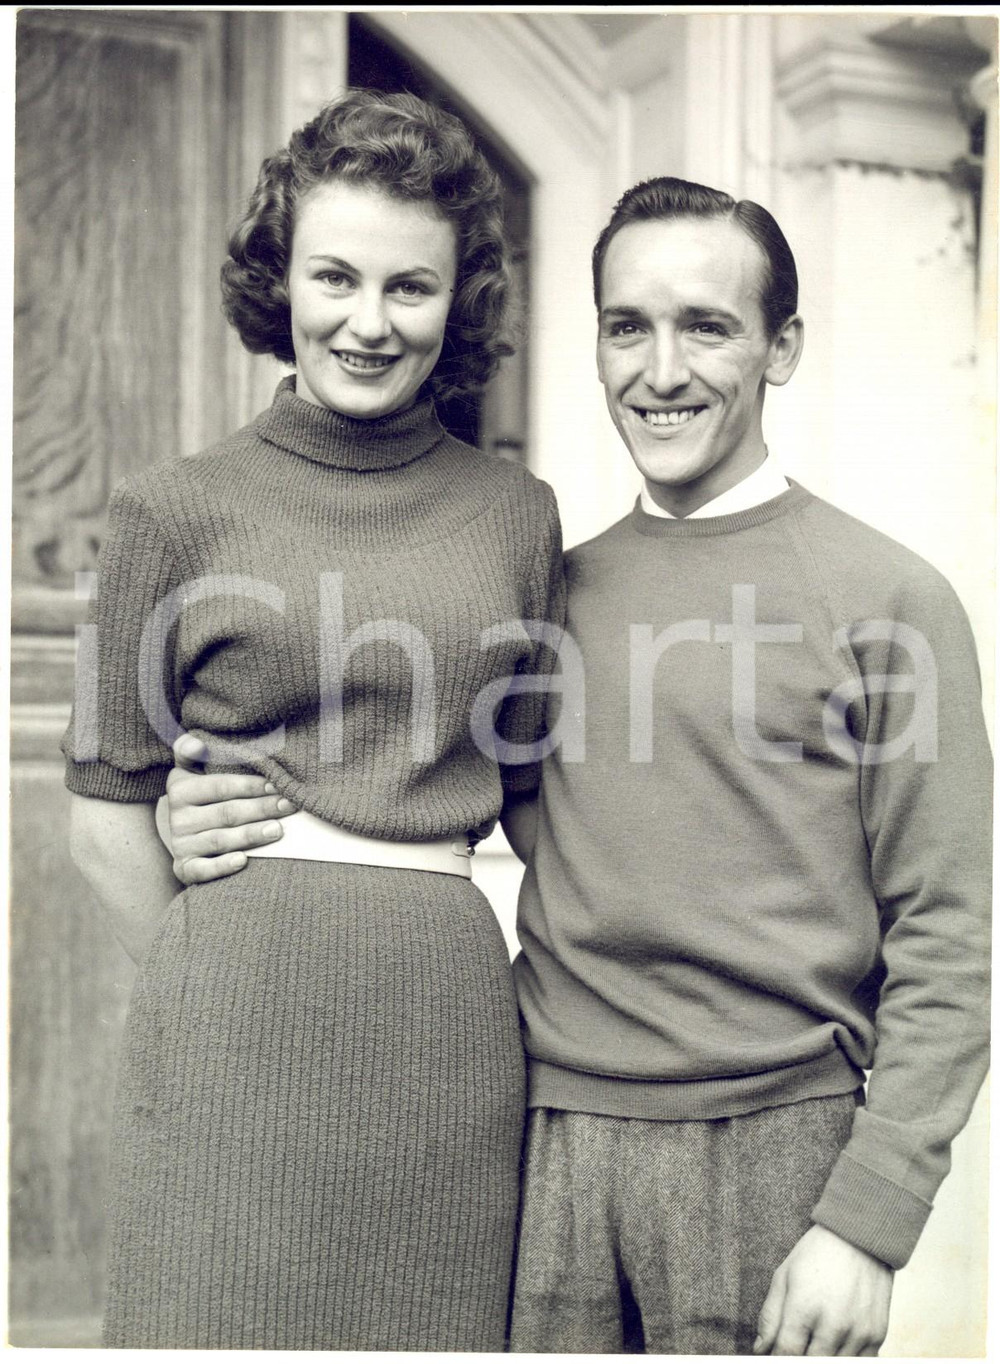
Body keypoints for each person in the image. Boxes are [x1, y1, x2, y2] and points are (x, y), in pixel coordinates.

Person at [163, 176, 992, 1355]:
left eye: (705, 326)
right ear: (594, 345)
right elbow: (414, 765)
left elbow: (947, 941)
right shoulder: (551, 587)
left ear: (781, 347)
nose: (660, 369)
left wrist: (867, 1223)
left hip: (773, 1144)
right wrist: (200, 805)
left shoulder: (889, 598)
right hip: (546, 1135)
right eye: (625, 326)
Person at [62, 89, 564, 1350]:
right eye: (334, 275)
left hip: (448, 1036)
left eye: (411, 287)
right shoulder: (168, 510)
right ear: (279, 274)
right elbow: (103, 818)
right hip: (228, 1034)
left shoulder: (518, 514)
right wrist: (211, 979)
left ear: (460, 303)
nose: (368, 320)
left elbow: (548, 798)